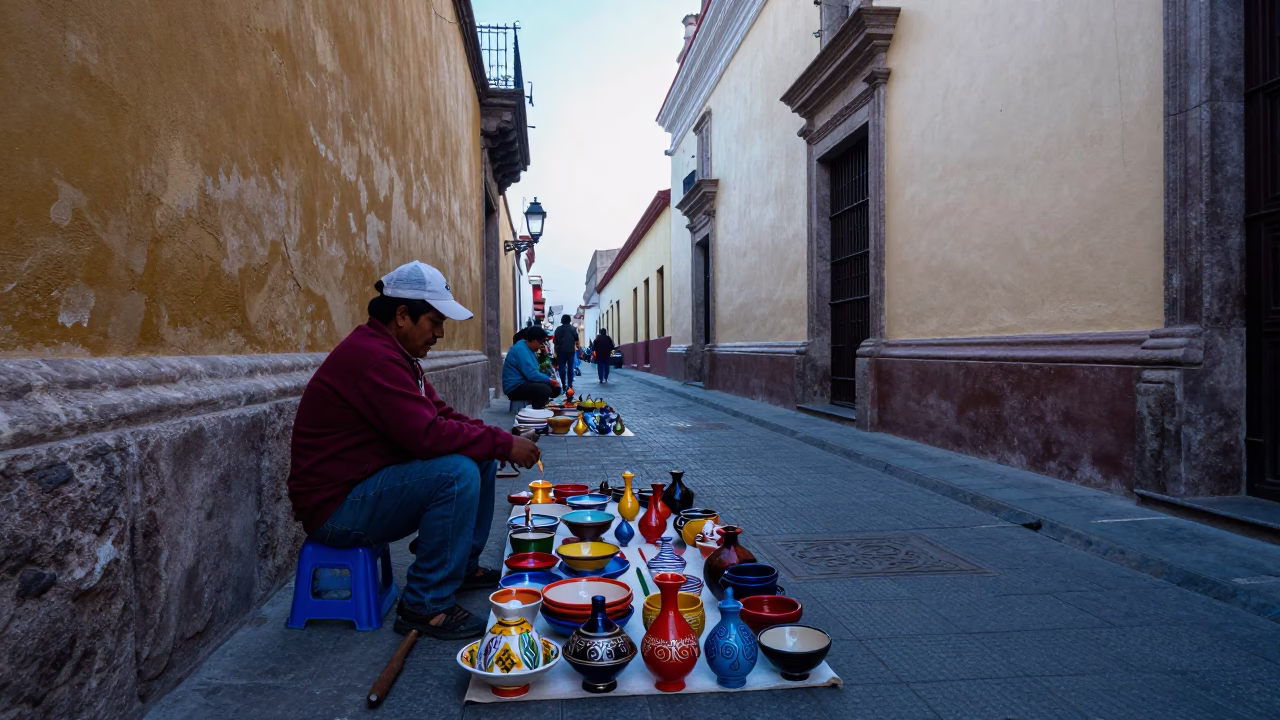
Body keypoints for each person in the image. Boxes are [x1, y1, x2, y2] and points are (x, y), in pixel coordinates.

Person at [287, 261, 541, 640]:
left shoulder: (398, 358)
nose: (439, 334)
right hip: (335, 509)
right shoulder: (375, 358)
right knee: (456, 474)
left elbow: (442, 416)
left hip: (363, 485)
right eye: (434, 322)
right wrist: (505, 442)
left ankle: (461, 565)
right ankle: (425, 603)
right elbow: (427, 435)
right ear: (403, 315)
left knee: (481, 458)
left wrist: (498, 441)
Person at [503, 326, 561, 409]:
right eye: (540, 342)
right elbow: (531, 374)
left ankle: (543, 405)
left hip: (524, 382)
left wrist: (547, 375)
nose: (541, 345)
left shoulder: (529, 349)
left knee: (556, 389)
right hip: (514, 388)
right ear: (534, 340)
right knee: (544, 389)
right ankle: (536, 413)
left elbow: (534, 369)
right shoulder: (520, 350)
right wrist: (549, 381)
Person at [552, 314, 578, 390]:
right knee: (570, 367)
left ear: (562, 321)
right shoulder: (573, 329)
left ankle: (563, 384)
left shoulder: (558, 329)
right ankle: (570, 384)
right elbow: (576, 338)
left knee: (562, 368)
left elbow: (555, 341)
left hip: (560, 351)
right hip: (570, 350)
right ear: (569, 320)